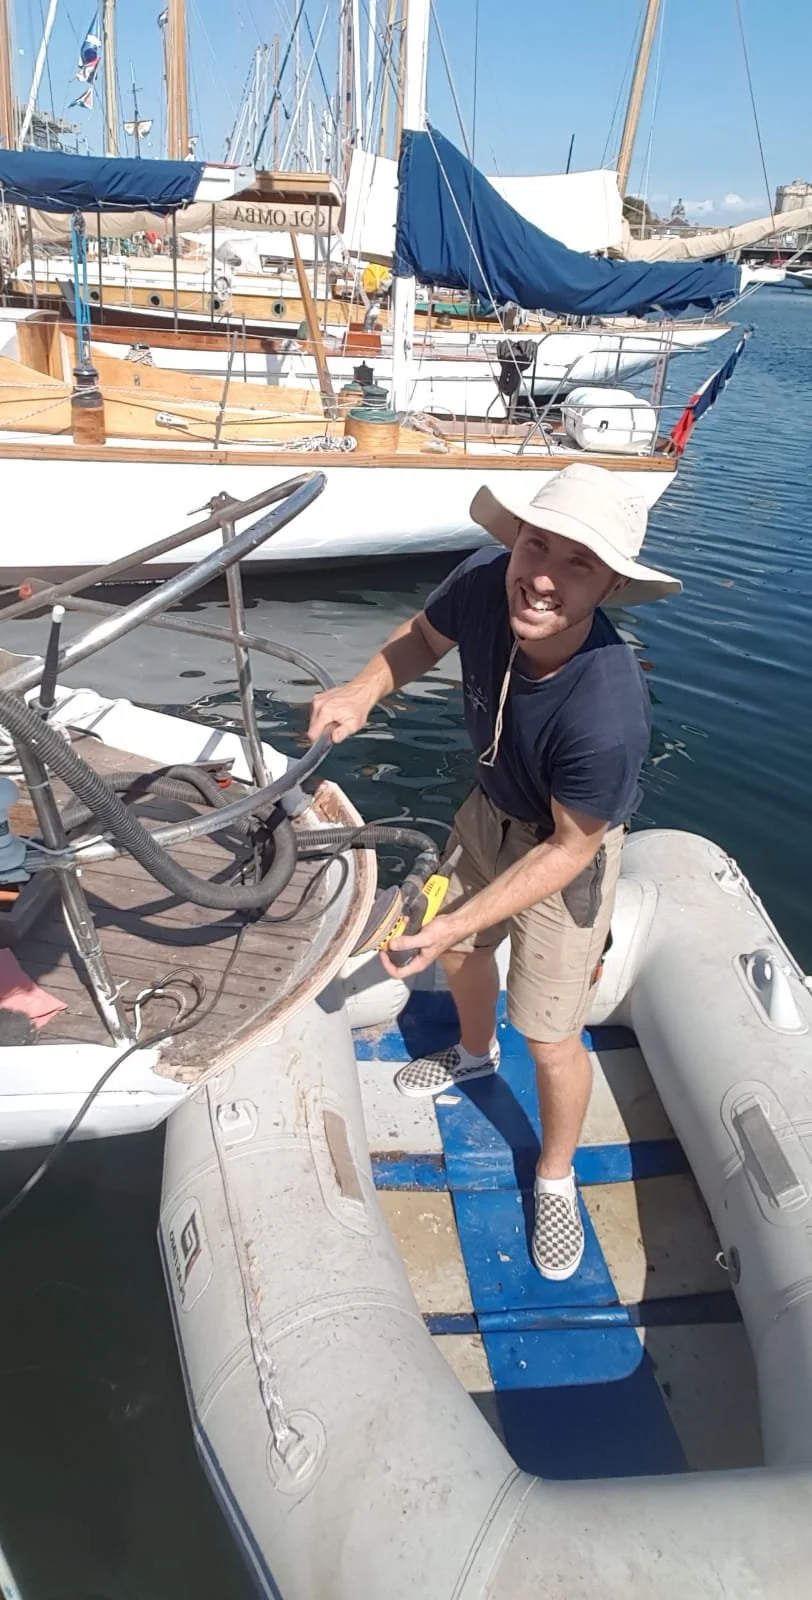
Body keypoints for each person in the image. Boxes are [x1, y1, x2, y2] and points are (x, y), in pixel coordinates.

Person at [307, 464, 681, 1281]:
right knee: (455, 952)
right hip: (488, 809)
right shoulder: (485, 578)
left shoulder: (607, 714)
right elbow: (421, 637)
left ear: (611, 585)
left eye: (578, 563)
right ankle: (473, 1053)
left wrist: (458, 915)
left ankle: (555, 1175)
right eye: (536, 544)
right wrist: (365, 689)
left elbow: (572, 849)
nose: (541, 576)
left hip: (565, 849)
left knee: (549, 1037)